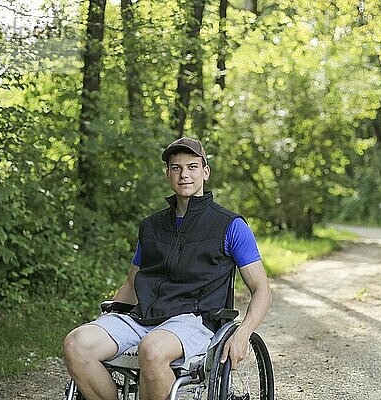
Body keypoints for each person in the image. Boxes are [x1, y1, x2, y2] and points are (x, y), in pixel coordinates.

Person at [63, 137, 272, 400]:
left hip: (194, 319)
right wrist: (104, 323)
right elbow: (131, 285)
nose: (184, 174)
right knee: (77, 344)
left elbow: (261, 289)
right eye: (176, 168)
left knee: (151, 349)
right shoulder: (151, 227)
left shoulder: (230, 225)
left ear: (205, 172)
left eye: (192, 167)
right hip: (144, 317)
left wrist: (243, 333)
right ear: (168, 174)